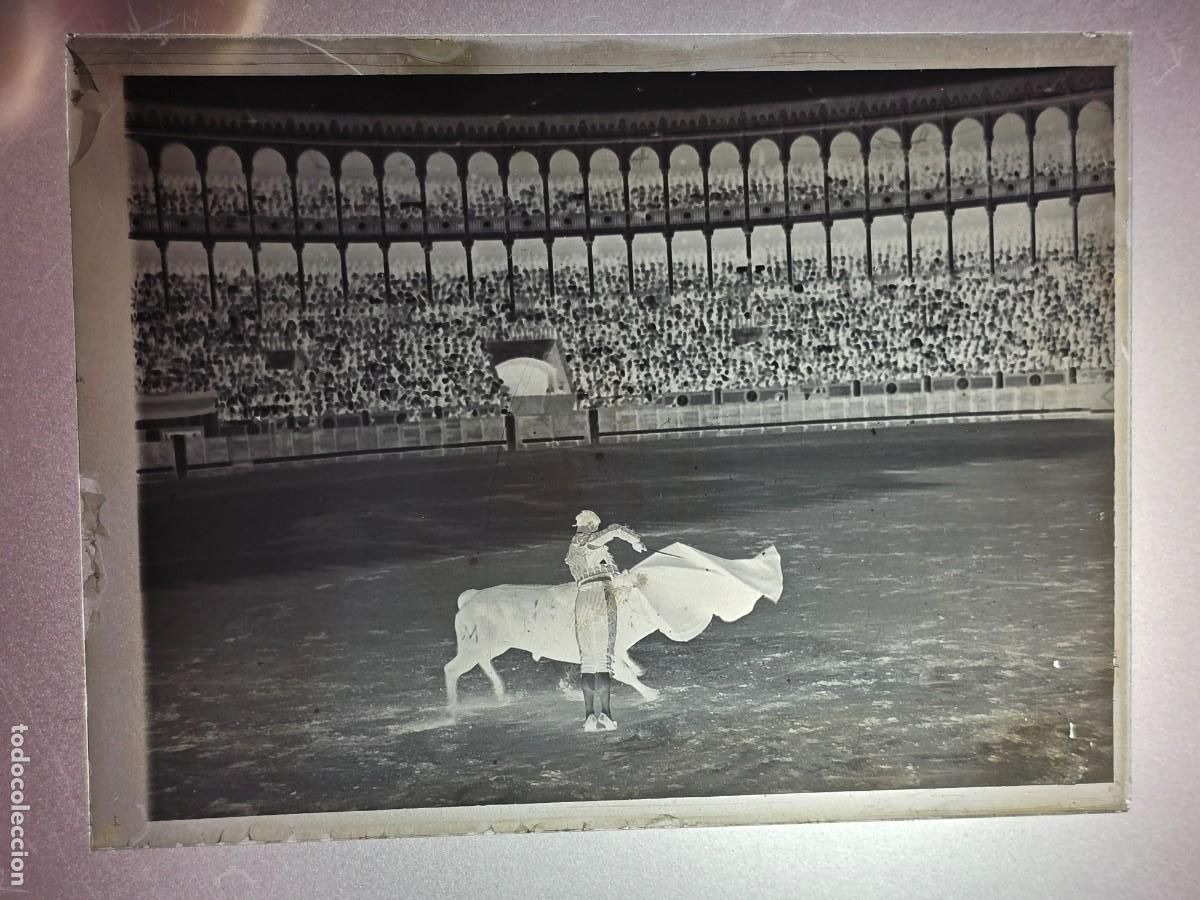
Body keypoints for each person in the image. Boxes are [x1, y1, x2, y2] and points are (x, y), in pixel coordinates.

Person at [565, 509, 646, 732]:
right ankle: (607, 715)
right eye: (595, 526)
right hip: (600, 595)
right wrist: (636, 541)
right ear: (590, 525)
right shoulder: (589, 541)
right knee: (603, 660)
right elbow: (615, 530)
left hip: (582, 599)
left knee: (588, 661)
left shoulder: (573, 547)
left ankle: (589, 715)